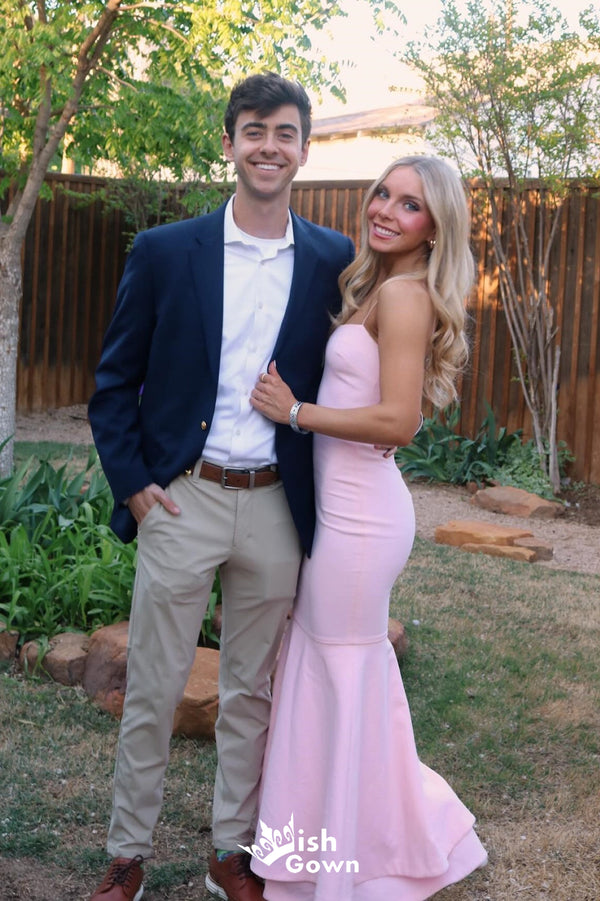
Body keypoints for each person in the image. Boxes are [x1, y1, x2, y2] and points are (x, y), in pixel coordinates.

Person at [87, 72, 354, 901]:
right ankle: (127, 855)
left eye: (285, 132)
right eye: (255, 131)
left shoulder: (333, 260)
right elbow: (113, 381)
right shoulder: (167, 251)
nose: (269, 146)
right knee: (154, 686)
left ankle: (231, 852)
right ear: (231, 143)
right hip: (184, 496)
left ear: (304, 149)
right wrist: (135, 485)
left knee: (252, 693)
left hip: (277, 503)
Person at [247, 155, 488, 900]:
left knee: (342, 675)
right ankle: (323, 847)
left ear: (435, 227)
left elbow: (399, 422)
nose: (386, 209)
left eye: (409, 204)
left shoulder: (407, 297)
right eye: (383, 193)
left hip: (360, 521)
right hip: (340, 509)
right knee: (325, 671)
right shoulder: (378, 285)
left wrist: (295, 412)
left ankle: (357, 860)